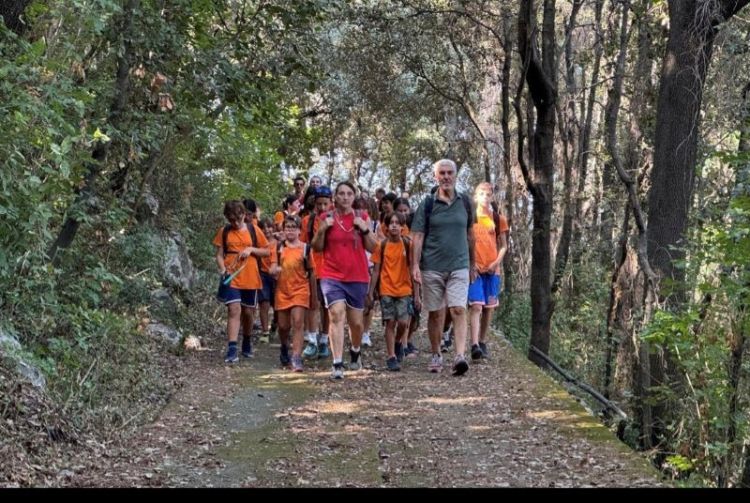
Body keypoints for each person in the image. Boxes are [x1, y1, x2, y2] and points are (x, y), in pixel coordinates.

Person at [411, 159, 476, 376]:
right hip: (432, 266)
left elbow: (470, 235)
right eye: (442, 173)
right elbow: (417, 236)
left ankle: (459, 356)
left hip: (459, 265)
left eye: (450, 173)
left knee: (458, 309)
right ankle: (436, 352)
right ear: (435, 177)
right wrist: (415, 265)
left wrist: (473, 263)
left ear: (455, 176)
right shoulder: (427, 204)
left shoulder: (465, 202)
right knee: (436, 313)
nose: (446, 177)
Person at [311, 181, 377, 380]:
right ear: (335, 197)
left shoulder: (362, 217)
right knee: (336, 314)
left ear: (353, 197)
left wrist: (364, 229)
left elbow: (374, 248)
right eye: (341, 193)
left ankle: (355, 350)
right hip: (332, 275)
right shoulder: (325, 218)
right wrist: (322, 229)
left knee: (356, 322)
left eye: (349, 193)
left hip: (357, 276)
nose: (345, 197)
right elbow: (316, 247)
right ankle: (337, 363)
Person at [213, 200, 270, 363]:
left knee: (248, 312)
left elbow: (266, 251)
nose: (236, 223)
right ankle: (232, 348)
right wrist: (222, 269)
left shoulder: (253, 230)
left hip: (250, 277)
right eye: (231, 220)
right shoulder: (224, 232)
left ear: (244, 215)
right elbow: (219, 254)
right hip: (231, 277)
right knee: (233, 310)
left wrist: (251, 249)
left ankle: (246, 339)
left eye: (238, 219)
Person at [367, 212, 420, 371]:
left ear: (403, 226)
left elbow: (413, 270)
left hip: (404, 289)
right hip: (386, 289)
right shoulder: (381, 246)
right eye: (391, 223)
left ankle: (398, 342)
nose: (395, 225)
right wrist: (371, 292)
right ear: (387, 226)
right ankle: (391, 356)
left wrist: (417, 294)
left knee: (403, 322)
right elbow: (376, 270)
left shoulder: (408, 245)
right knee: (390, 322)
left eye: (398, 223)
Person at [468, 182, 508, 360]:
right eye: (482, 194)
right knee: (476, 305)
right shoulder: (470, 218)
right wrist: (471, 262)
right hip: (475, 269)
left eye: (488, 194)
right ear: (476, 196)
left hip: (492, 270)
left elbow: (504, 246)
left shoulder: (499, 219)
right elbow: (464, 241)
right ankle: (474, 344)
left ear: (492, 197)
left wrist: (495, 263)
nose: (485, 197)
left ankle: (482, 341)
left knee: (488, 308)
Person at [270, 216, 313, 372]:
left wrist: (314, 296)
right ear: (283, 230)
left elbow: (311, 271)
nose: (290, 230)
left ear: (299, 230)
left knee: (298, 322)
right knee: (283, 326)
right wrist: (274, 270)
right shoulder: (278, 247)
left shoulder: (306, 248)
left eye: (293, 227)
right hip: (282, 291)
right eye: (287, 227)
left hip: (300, 290)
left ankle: (296, 357)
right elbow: (272, 266)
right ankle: (284, 346)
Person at [300, 185, 334, 360]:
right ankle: (312, 339)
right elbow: (303, 244)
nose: (322, 207)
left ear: (331, 203)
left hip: (331, 269)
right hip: (313, 268)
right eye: (319, 203)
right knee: (312, 304)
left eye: (325, 204)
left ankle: (324, 339)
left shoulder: (336, 219)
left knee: (327, 307)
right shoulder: (308, 221)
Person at [257, 217, 278, 343]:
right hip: (262, 275)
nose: (266, 230)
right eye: (263, 228)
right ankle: (265, 331)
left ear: (273, 228)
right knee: (264, 303)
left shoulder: (279, 242)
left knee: (278, 306)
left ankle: (275, 324)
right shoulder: (258, 244)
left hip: (277, 276)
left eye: (269, 227)